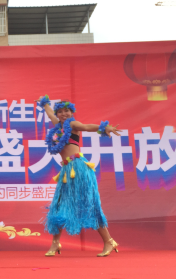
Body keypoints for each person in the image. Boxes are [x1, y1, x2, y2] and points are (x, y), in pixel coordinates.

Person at [37, 96, 121, 257]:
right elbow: (50, 114)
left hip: (79, 169)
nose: (63, 114)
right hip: (66, 171)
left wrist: (105, 128)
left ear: (72, 112)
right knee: (58, 206)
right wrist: (45, 104)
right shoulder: (58, 127)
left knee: (89, 205)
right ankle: (55, 243)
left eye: (66, 111)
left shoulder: (72, 124)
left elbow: (87, 127)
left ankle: (109, 241)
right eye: (60, 112)